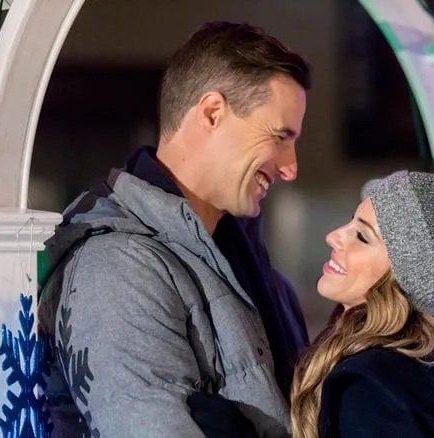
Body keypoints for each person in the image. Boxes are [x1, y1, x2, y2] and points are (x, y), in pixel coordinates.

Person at [37, 22, 311, 437]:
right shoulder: (117, 269)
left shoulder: (260, 275)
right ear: (212, 113)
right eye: (279, 136)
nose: (290, 167)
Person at [189, 170, 434, 437]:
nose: (333, 236)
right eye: (350, 223)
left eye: (361, 236)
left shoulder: (372, 392)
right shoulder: (404, 375)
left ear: (405, 277)